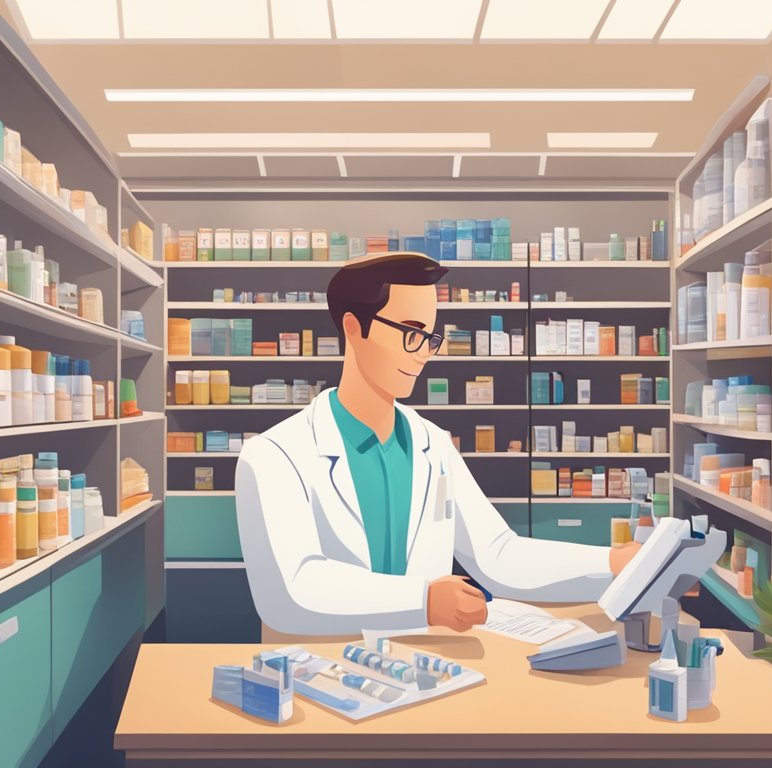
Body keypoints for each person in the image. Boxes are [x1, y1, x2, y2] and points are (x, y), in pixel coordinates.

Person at [236, 252, 640, 636]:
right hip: (326, 674)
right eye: (411, 333)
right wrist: (423, 601)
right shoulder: (275, 456)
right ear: (353, 327)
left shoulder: (433, 444)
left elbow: (497, 553)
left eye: (429, 337)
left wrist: (611, 562)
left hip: (424, 667)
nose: (423, 354)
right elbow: (289, 592)